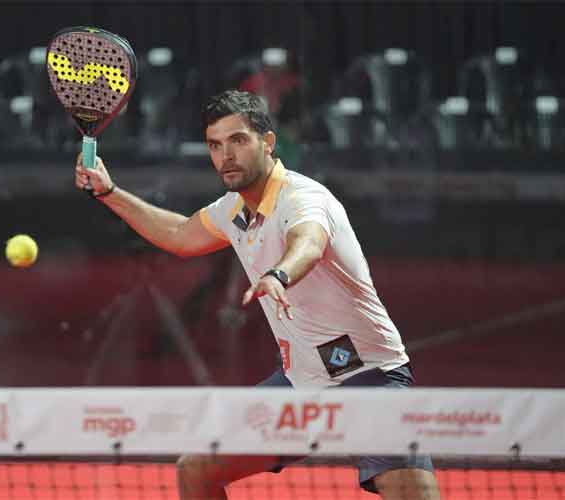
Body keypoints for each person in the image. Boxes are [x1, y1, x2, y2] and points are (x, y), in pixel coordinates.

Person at [74, 89, 440, 499]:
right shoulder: (233, 210)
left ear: (267, 142)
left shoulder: (304, 198)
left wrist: (279, 276)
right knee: (197, 470)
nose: (225, 155)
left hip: (371, 380)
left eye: (238, 141)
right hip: (300, 386)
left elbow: (309, 242)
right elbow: (179, 234)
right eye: (215, 145)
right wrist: (109, 192)